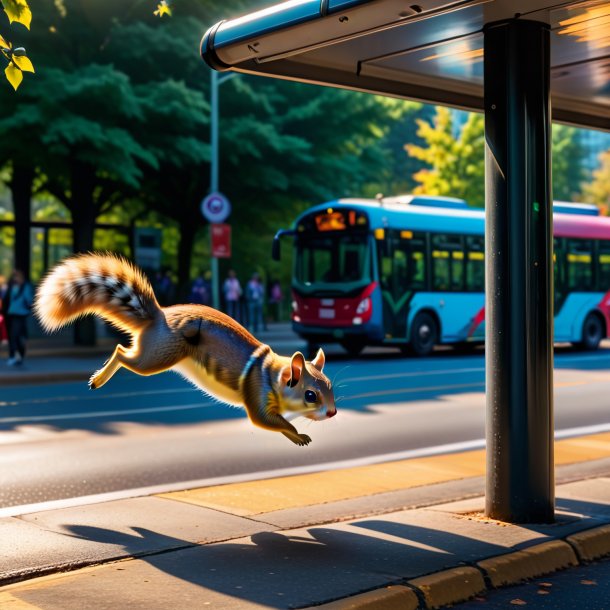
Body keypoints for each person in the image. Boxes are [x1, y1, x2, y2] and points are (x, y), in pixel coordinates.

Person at [3, 269, 33, 366]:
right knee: (16, 336)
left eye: (17, 276)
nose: (16, 278)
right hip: (11, 313)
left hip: (21, 314)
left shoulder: (26, 287)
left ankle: (16, 356)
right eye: (14, 277)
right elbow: (6, 297)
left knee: (15, 336)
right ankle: (17, 356)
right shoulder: (12, 286)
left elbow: (29, 300)